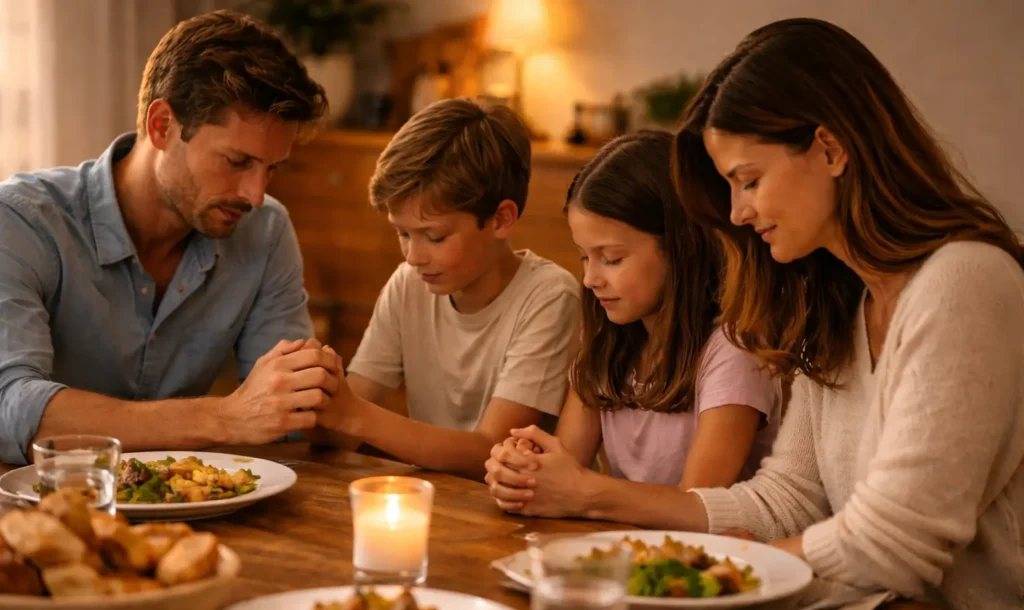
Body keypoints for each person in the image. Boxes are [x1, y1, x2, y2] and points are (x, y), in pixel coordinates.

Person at [668, 18, 1024, 610]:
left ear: (831, 150)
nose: (738, 211)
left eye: (749, 181)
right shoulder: (841, 303)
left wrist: (717, 577)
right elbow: (791, 498)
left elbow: (893, 544)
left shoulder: (966, 282)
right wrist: (604, 512)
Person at [0, 10, 339, 465]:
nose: (256, 195)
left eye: (271, 168)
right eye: (237, 162)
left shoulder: (266, 231)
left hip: (192, 517)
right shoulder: (22, 220)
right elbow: (11, 407)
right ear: (162, 126)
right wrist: (224, 418)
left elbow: (287, 418)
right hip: (36, 515)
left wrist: (309, 390)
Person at [483, 131, 780, 525]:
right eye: (584, 256)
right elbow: (565, 471)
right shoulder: (610, 340)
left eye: (611, 258)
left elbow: (700, 508)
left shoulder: (733, 350)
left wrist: (576, 490)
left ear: (680, 247)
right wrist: (523, 472)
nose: (590, 278)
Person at [313, 98, 580, 479]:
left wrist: (353, 416)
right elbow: (344, 417)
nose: (413, 256)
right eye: (403, 233)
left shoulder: (549, 296)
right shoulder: (408, 284)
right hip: (437, 502)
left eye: (435, 236)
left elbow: (490, 452)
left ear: (501, 219)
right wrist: (317, 392)